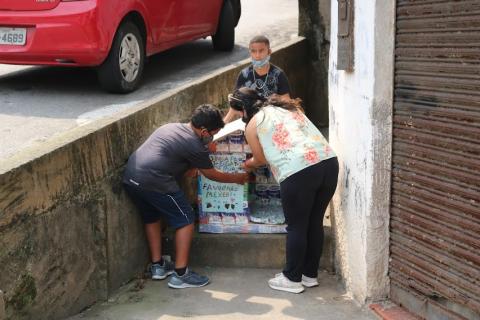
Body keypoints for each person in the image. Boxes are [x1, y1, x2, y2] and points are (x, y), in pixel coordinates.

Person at [123, 104, 248, 289]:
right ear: (204, 131)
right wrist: (238, 178)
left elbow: (187, 169)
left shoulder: (171, 127)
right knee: (186, 219)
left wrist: (203, 155)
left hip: (131, 177)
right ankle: (181, 274)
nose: (212, 137)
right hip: (155, 181)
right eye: (212, 133)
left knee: (152, 217)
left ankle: (158, 267)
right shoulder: (195, 145)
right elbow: (211, 174)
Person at [232, 87, 339, 294]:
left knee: (296, 226)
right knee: (313, 222)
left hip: (299, 170)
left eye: (237, 114)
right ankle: (309, 275)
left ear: (244, 111)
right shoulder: (287, 108)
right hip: (328, 162)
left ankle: (292, 278)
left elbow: (260, 159)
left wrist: (248, 165)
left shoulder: (253, 124)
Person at [224, 35, 291, 123]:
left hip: (273, 121)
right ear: (250, 53)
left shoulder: (278, 74)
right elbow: (235, 105)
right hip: (250, 122)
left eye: (261, 51)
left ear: (269, 52)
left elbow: (286, 100)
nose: (257, 55)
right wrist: (223, 125)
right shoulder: (244, 75)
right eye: (253, 51)